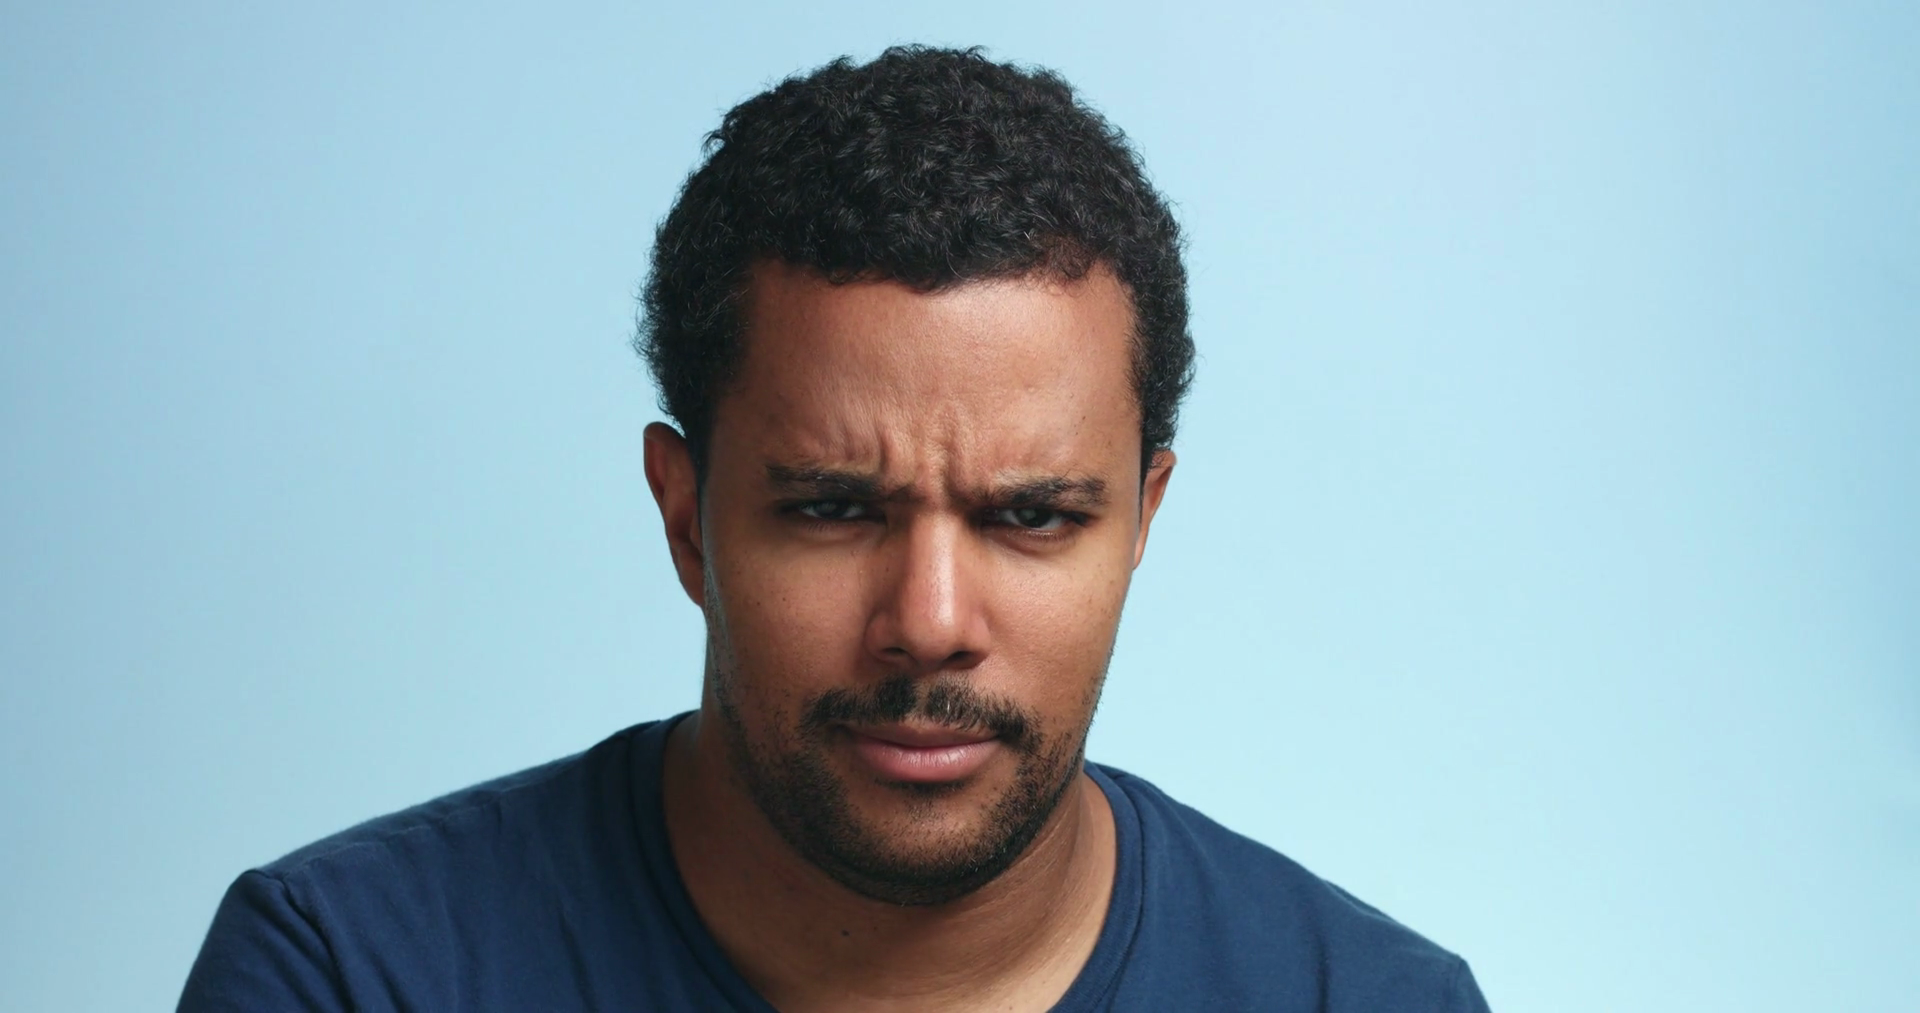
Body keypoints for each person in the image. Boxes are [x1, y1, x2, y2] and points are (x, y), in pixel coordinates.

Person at [180, 46, 1491, 1012]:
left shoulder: (1369, 1001)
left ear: (1142, 519)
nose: (929, 623)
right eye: (832, 509)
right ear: (687, 518)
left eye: (1033, 516)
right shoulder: (351, 976)